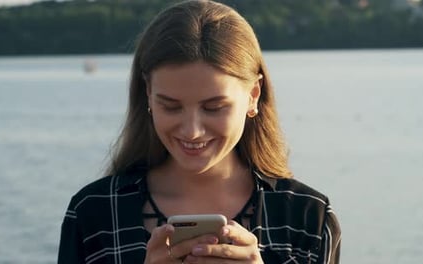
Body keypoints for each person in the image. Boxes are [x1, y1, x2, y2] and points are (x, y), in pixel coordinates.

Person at [57, 0, 341, 263]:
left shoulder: (308, 217)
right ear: (148, 94)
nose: (192, 131)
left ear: (253, 96)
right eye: (171, 106)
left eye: (214, 107)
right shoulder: (93, 213)